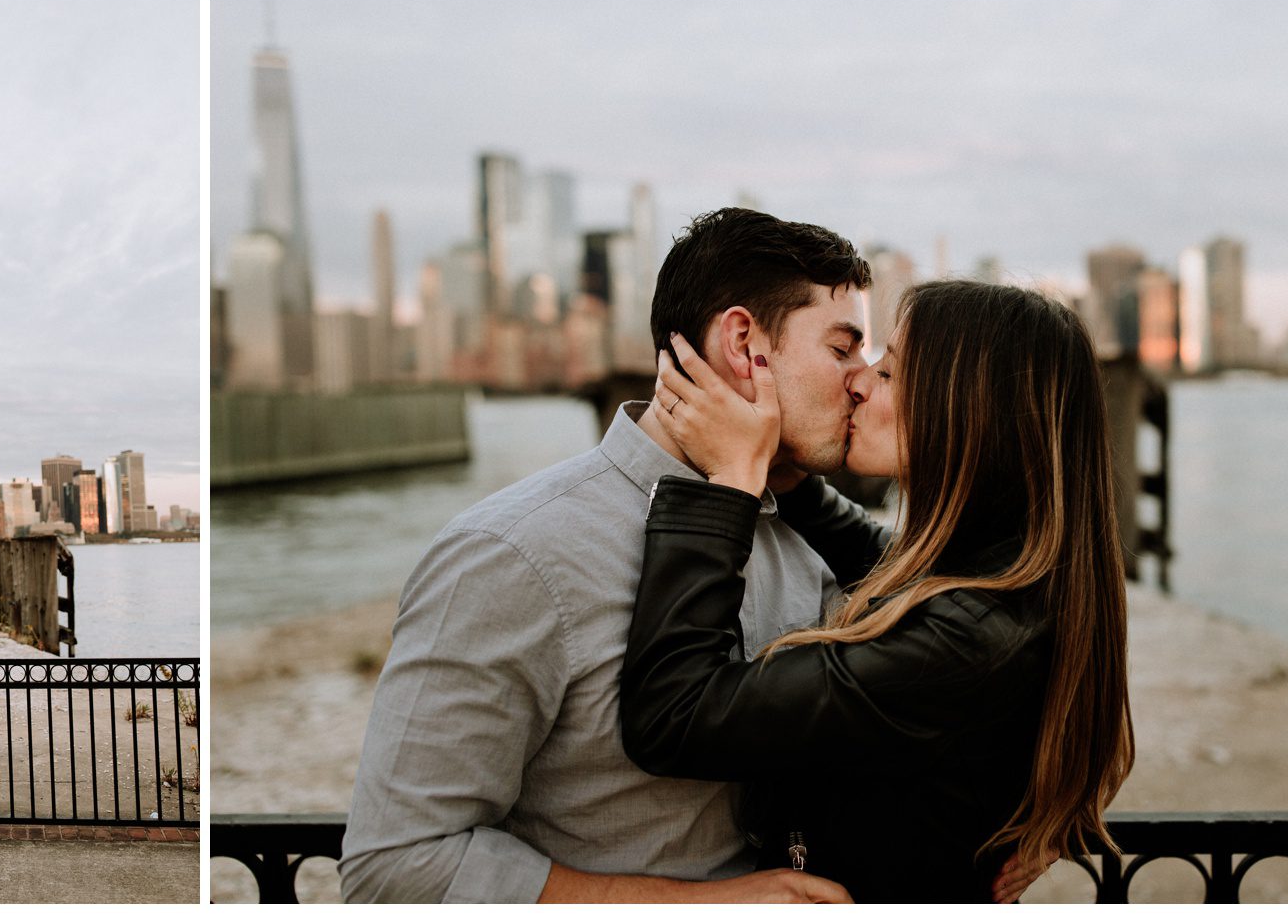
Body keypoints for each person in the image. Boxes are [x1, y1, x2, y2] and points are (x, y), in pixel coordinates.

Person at [340, 208, 875, 903]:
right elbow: (395, 869)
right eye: (842, 349)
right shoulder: (513, 553)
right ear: (745, 344)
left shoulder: (806, 539)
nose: (863, 379)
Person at [622, 279, 1136, 902]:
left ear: (967, 412)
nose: (860, 381)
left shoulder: (966, 641)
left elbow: (674, 718)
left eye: (890, 372)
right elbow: (871, 552)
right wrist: (783, 457)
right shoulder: (1005, 574)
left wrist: (728, 484)